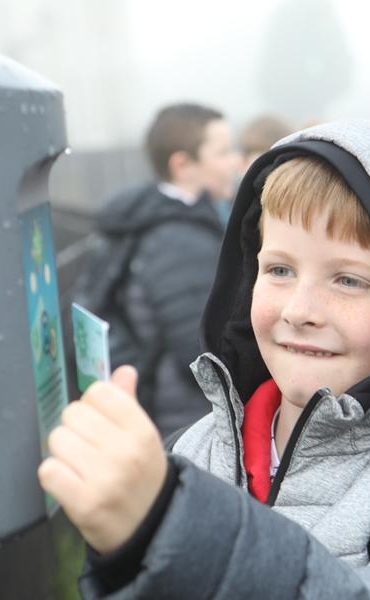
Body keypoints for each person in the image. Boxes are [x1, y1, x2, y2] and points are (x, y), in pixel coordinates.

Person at [40, 120, 370, 598]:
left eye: (349, 279)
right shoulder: (191, 450)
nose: (300, 310)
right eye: (278, 270)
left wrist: (167, 527)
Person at [72, 102, 239, 437]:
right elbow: (201, 355)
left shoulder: (150, 217)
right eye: (222, 152)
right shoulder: (180, 243)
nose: (234, 162)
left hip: (156, 410)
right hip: (184, 423)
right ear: (182, 164)